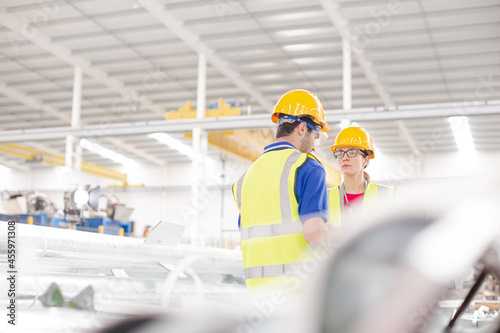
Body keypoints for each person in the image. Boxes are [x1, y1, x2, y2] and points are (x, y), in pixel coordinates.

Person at [232, 89, 331, 292]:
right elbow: (315, 234)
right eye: (316, 135)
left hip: (256, 298)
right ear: (303, 128)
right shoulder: (307, 166)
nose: (314, 145)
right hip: (295, 296)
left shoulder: (244, 179)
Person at [328, 126, 394, 229]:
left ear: (366, 160)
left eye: (352, 152)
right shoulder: (324, 198)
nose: (345, 158)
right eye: (340, 153)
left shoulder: (386, 195)